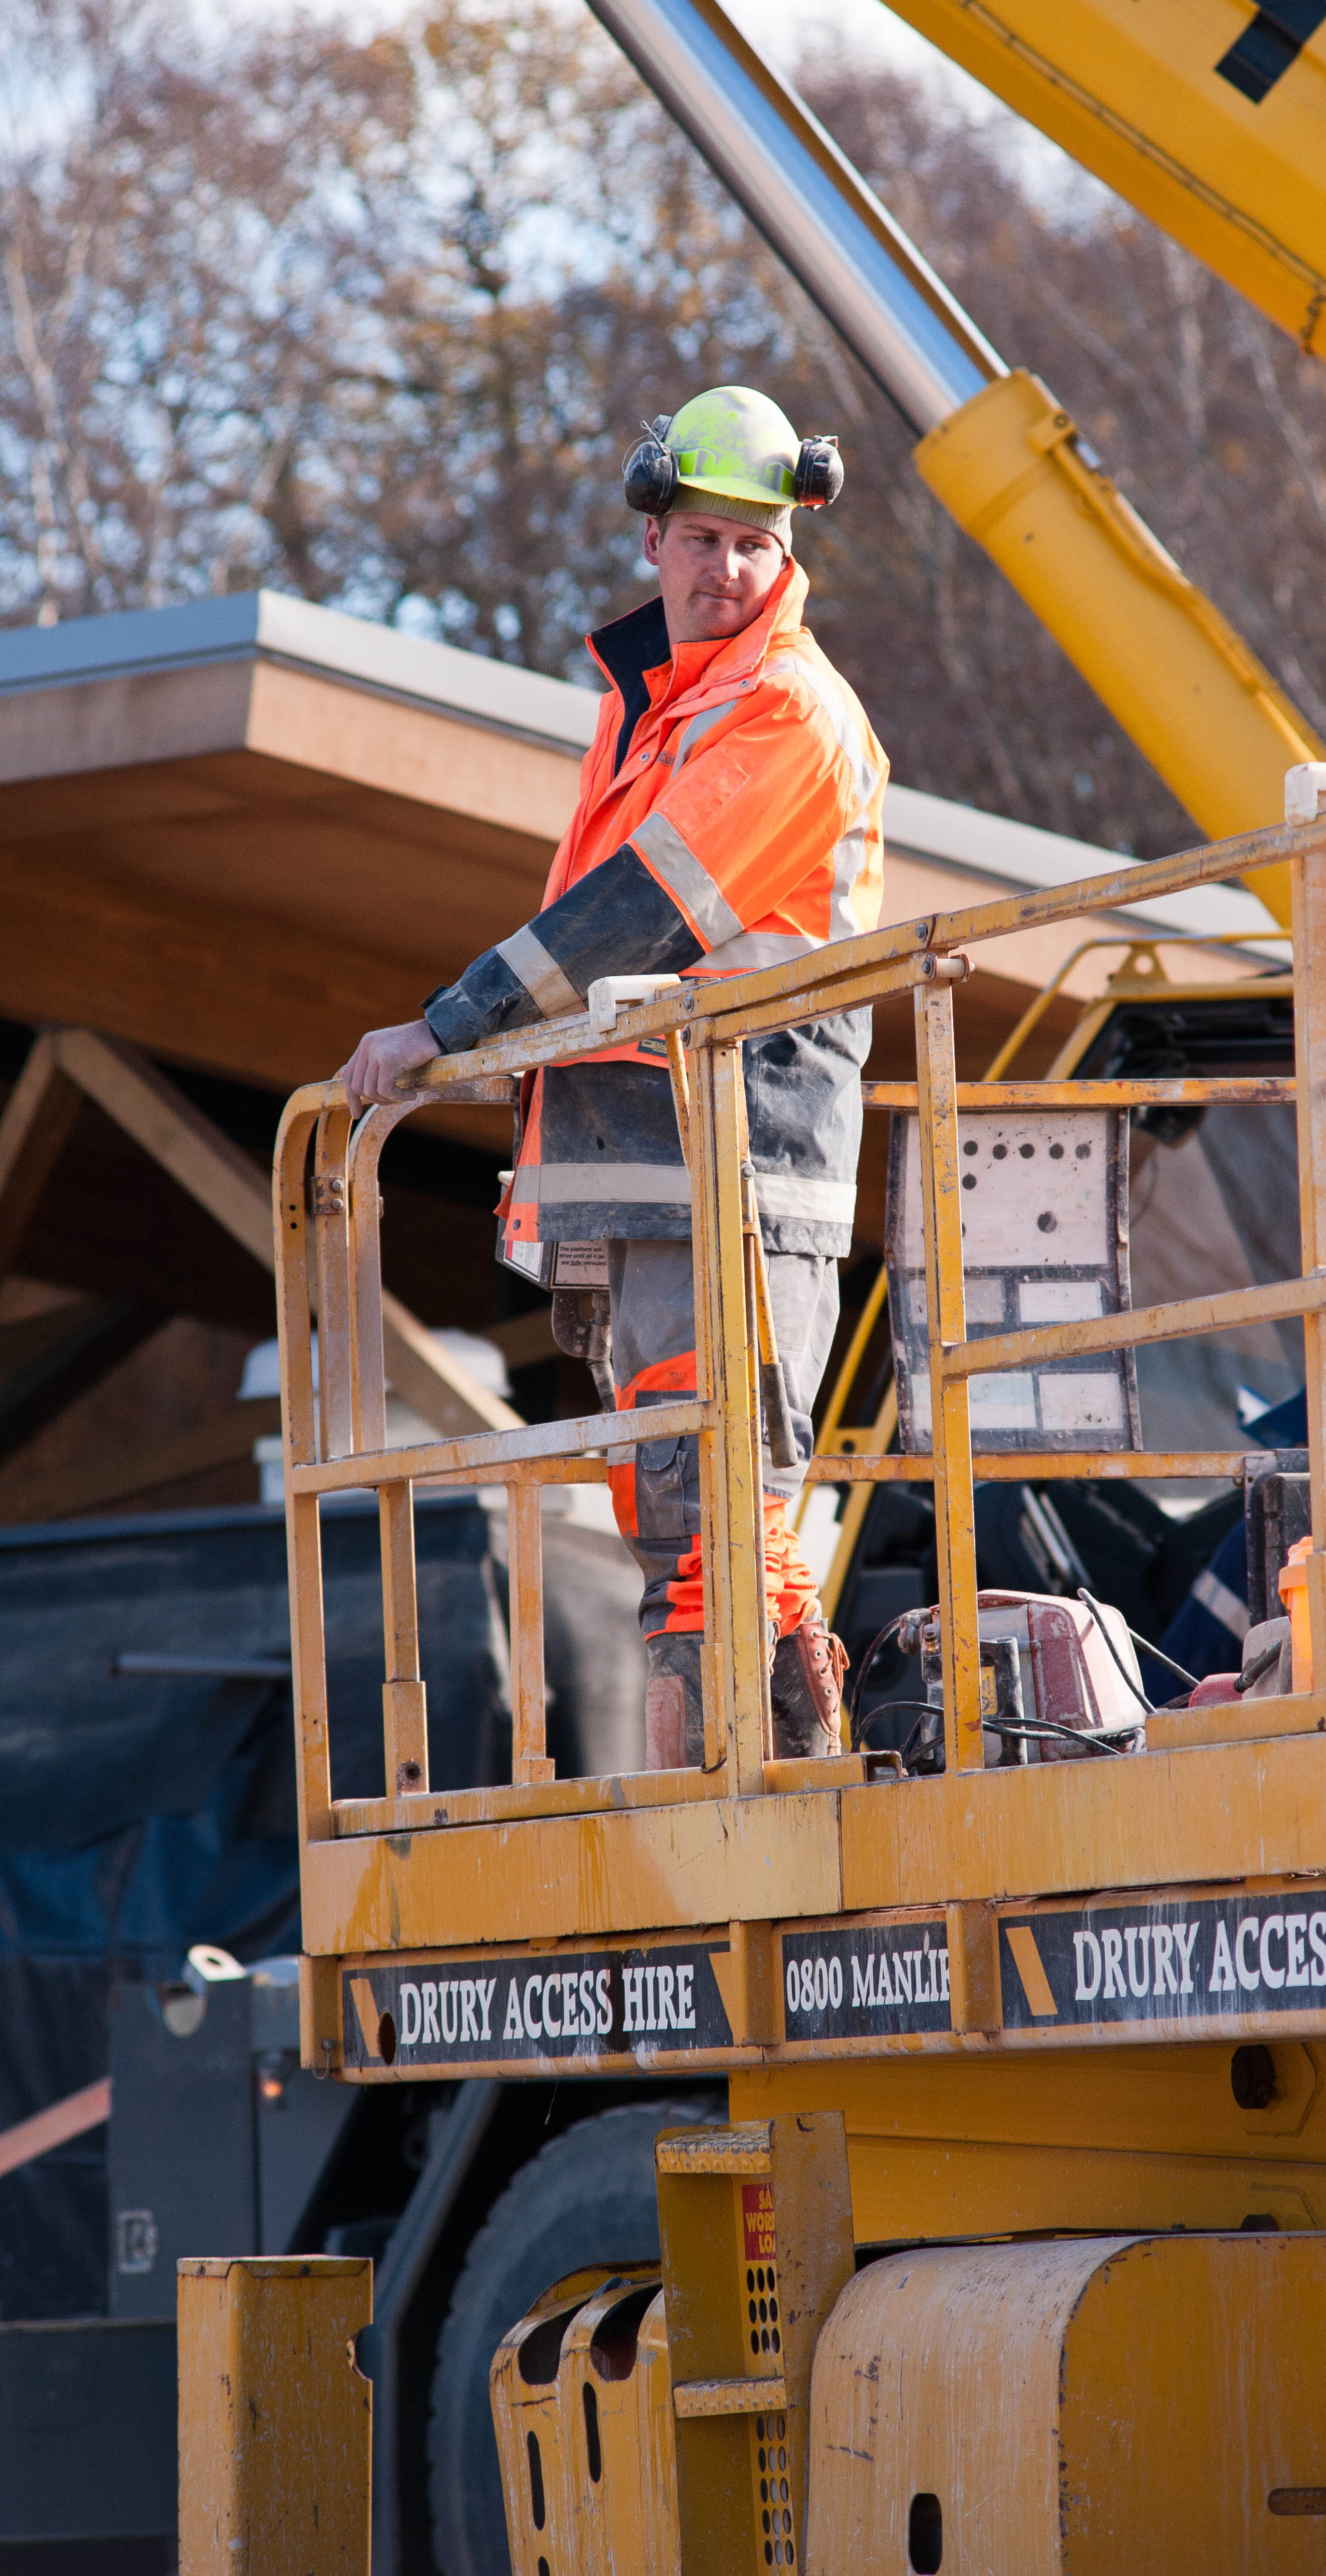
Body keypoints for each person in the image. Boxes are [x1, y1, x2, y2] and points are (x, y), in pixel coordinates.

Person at [340, 385, 887, 1769]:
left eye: (754, 543)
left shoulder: (786, 712)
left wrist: (445, 1027)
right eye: (703, 536)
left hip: (735, 1173)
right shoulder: (652, 711)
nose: (728, 569)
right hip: (650, 1169)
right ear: (653, 537)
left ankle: (738, 1814)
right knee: (697, 1525)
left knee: (720, 1530)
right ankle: (772, 1788)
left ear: (789, 549)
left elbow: (631, 915)